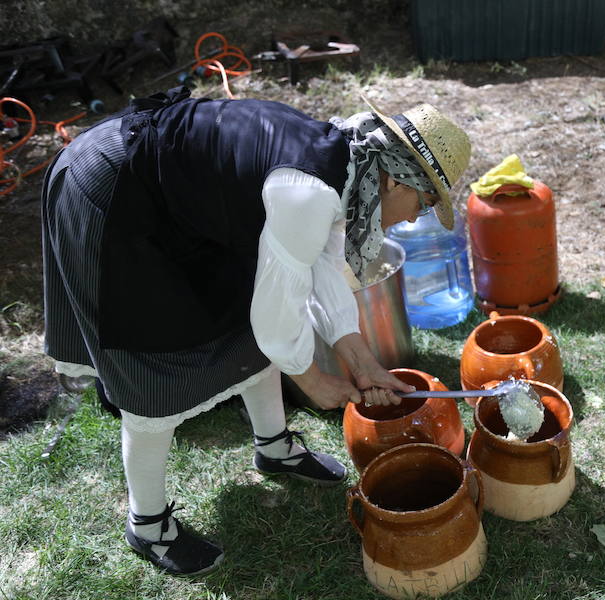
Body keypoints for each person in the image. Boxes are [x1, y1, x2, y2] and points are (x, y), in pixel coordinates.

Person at [40, 86, 472, 575]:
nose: (417, 217)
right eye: (425, 201)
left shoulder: (350, 167)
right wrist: (314, 381)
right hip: (117, 191)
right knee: (151, 362)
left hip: (184, 203)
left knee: (239, 321)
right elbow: (278, 315)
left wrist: (361, 357)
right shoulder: (310, 191)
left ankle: (274, 448)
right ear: (396, 179)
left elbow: (320, 266)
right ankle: (147, 526)